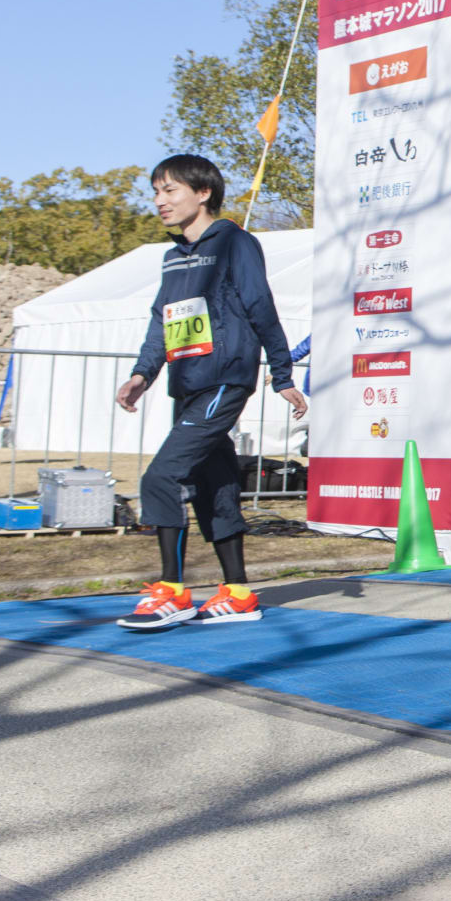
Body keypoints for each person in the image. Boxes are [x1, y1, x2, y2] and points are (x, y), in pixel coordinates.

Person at [113, 155, 306, 630]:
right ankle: (238, 593)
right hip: (188, 383)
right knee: (213, 487)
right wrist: (143, 374)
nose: (160, 200)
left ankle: (172, 592)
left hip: (225, 378)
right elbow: (163, 320)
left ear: (202, 194)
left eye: (170, 190)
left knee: (160, 477)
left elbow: (261, 305)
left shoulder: (235, 243)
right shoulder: (173, 256)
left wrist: (282, 374)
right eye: (155, 191)